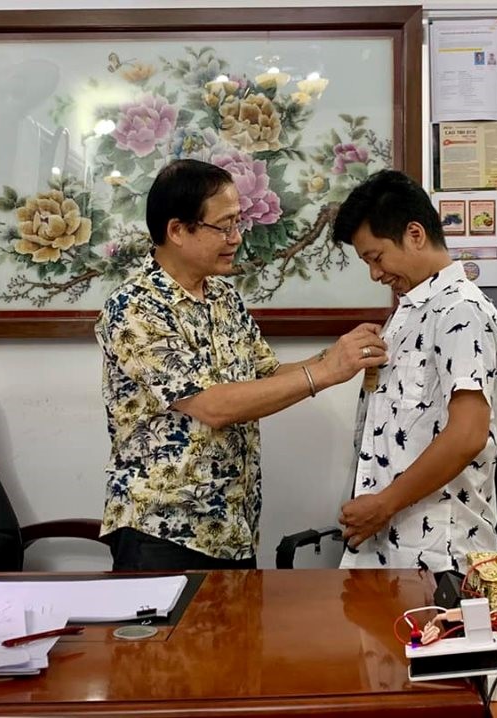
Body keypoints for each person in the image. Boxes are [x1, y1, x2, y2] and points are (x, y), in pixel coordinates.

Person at [95, 158, 387, 571]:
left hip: (233, 527)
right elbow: (212, 406)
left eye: (238, 223)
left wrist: (340, 355)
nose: (236, 238)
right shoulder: (135, 308)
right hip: (163, 530)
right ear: (177, 230)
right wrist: (324, 372)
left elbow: (266, 375)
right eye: (224, 226)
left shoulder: (222, 297)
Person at [331, 169, 497, 574]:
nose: (375, 274)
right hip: (389, 542)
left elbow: (468, 434)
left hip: (439, 551)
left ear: (414, 234)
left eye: (376, 258)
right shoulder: (410, 309)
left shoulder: (460, 310)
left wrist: (384, 503)